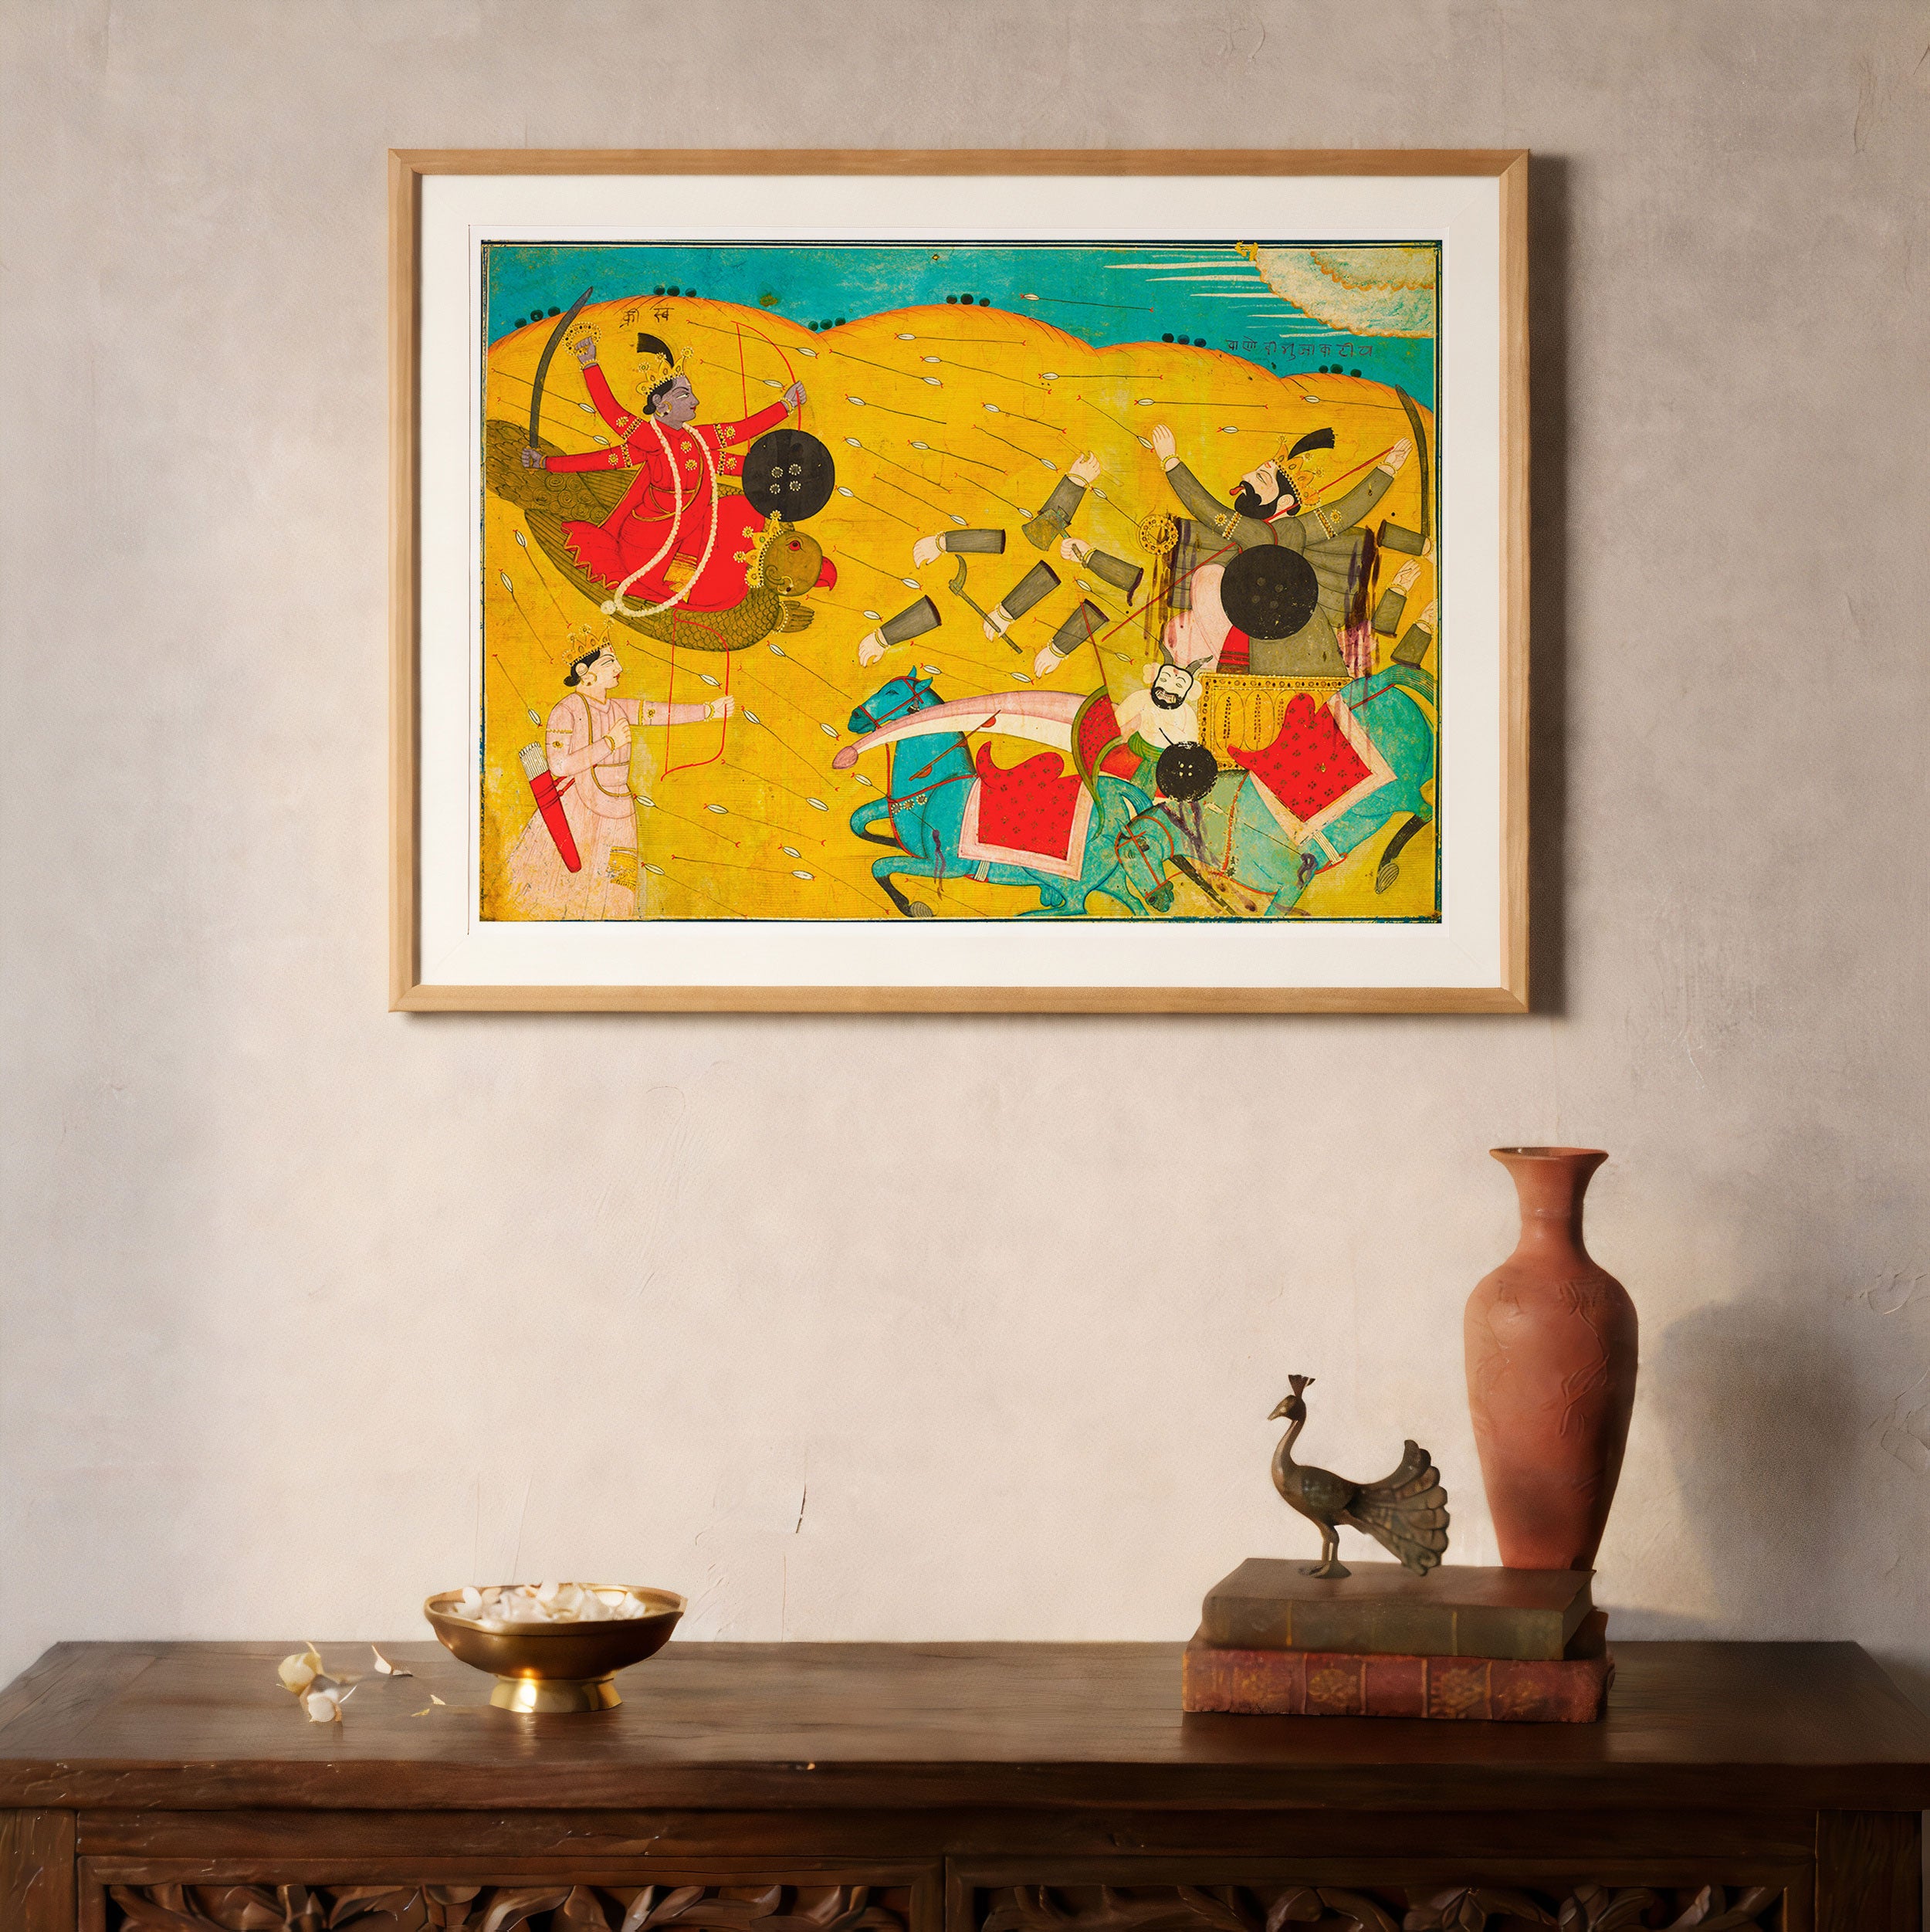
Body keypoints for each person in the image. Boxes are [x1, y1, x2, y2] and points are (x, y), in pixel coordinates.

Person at [522, 332, 805, 616]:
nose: (695, 401)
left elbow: (738, 443)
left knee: (742, 506)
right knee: (713, 584)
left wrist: (786, 419)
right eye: (684, 394)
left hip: (685, 529)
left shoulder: (695, 438)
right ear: (660, 402)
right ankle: (682, 582)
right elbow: (608, 432)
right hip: (650, 543)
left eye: (691, 392)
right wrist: (590, 365)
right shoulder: (650, 439)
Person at [1149, 425, 1413, 677]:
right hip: (1256, 625)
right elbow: (1207, 510)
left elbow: (1344, 512)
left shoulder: (1287, 529)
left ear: (1285, 501)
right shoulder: (1260, 529)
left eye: (1260, 477)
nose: (1245, 477)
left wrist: (1386, 469)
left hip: (1303, 628)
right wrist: (1170, 461)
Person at [504, 635, 732, 920]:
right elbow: (559, 766)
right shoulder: (566, 710)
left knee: (617, 892)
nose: (619, 668)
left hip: (619, 809)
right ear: (584, 672)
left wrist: (708, 711)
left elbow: (655, 712)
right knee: (570, 890)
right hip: (577, 809)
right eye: (609, 662)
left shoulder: (617, 708)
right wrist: (609, 743)